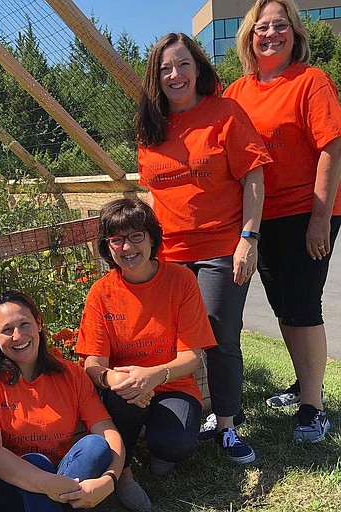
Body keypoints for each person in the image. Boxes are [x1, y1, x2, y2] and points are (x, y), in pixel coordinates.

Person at [135, 33, 271, 463]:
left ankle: (228, 426)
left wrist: (248, 239)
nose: (174, 75)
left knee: (218, 335)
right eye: (165, 69)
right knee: (174, 338)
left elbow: (254, 177)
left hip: (221, 247)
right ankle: (178, 419)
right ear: (155, 79)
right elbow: (155, 196)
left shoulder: (225, 113)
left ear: (198, 68)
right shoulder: (151, 127)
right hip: (169, 253)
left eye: (182, 65)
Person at [224, 0, 341, 444]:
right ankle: (302, 383)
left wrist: (320, 218)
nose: (270, 34)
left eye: (280, 26)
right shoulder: (237, 92)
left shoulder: (311, 82)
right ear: (249, 37)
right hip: (260, 215)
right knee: (284, 307)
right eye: (261, 27)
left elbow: (332, 148)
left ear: (295, 33)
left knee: (304, 306)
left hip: (305, 211)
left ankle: (313, 407)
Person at [75, 198, 217, 511]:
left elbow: (193, 356)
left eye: (136, 236)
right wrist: (116, 378)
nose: (127, 247)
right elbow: (92, 365)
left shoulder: (181, 280)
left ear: (152, 238)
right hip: (124, 390)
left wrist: (152, 376)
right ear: (107, 246)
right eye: (117, 239)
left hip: (173, 383)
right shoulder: (101, 292)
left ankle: (159, 446)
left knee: (175, 445)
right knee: (121, 399)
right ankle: (124, 474)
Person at [0, 290, 125, 512]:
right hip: (6, 486)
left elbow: (108, 433)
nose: (18, 336)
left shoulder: (71, 374)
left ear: (38, 323)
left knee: (96, 445)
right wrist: (46, 483)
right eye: (7, 330)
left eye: (24, 324)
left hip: (62, 476)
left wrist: (109, 480)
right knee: (36, 462)